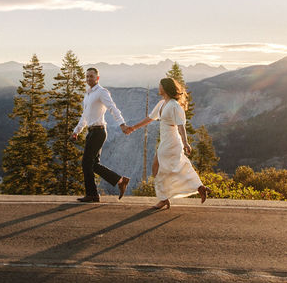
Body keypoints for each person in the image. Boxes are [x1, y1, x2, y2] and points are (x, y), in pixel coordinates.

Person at [123, 77, 207, 210]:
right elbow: (149, 118)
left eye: (160, 85)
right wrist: (133, 127)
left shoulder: (174, 106)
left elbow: (181, 126)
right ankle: (198, 187)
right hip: (165, 141)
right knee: (174, 167)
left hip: (172, 142)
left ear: (165, 88)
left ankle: (164, 199)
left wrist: (186, 143)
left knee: (160, 168)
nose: (158, 87)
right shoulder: (162, 103)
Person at [70, 67, 131, 202]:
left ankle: (92, 194)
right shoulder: (88, 95)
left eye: (91, 76)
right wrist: (76, 131)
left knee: (86, 163)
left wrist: (122, 124)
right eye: (86, 76)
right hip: (91, 132)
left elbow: (112, 108)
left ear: (97, 78)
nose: (88, 79)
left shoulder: (101, 92)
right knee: (93, 165)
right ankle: (120, 181)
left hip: (99, 132)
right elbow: (84, 116)